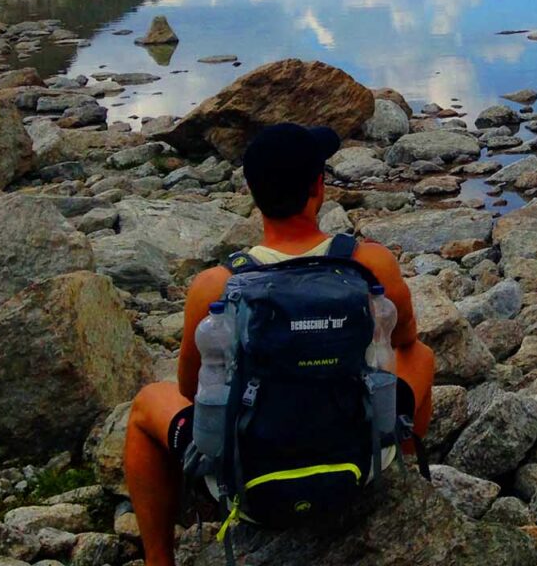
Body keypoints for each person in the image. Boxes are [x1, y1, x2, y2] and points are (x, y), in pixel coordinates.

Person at [123, 123, 436, 566]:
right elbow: (406, 341)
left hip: (250, 489)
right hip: (357, 470)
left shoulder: (216, 286)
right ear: (318, 187)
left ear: (254, 194)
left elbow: (194, 392)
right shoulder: (370, 264)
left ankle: (160, 560)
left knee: (145, 407)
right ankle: (395, 481)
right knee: (421, 356)